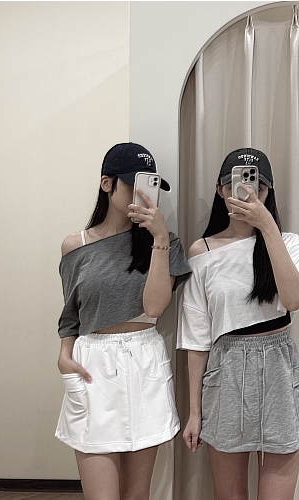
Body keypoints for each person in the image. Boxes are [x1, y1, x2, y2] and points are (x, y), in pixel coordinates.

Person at [177, 148, 299, 500]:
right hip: (225, 369)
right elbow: (197, 337)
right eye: (235, 185)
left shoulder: (289, 243)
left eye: (258, 187)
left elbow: (293, 300)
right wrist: (194, 412)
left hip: (279, 368)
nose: (247, 193)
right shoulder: (202, 251)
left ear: (269, 192)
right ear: (219, 189)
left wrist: (267, 226)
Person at [55, 142, 192, 500]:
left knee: (137, 495)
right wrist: (64, 355)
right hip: (93, 365)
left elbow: (155, 306)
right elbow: (71, 314)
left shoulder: (167, 243)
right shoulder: (75, 245)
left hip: (143, 361)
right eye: (134, 186)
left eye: (150, 187)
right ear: (107, 184)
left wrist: (159, 237)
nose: (144, 197)